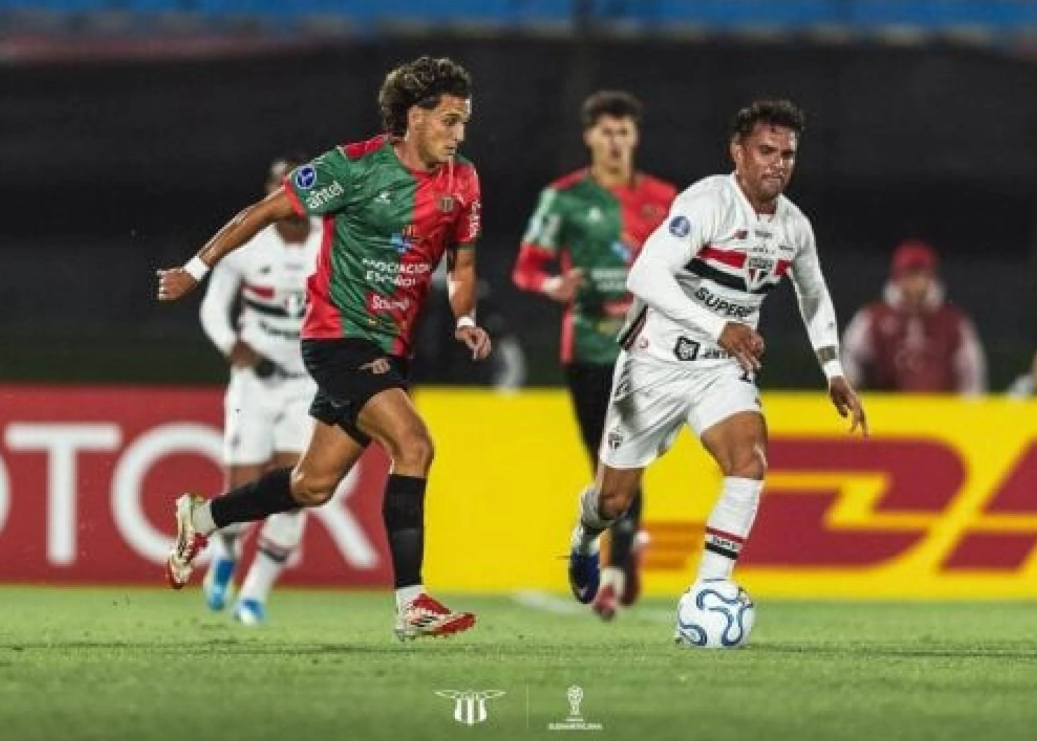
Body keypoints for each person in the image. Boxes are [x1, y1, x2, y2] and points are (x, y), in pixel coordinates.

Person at [156, 56, 492, 640]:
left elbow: (462, 262)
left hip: (391, 347)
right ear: (415, 117)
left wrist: (463, 316)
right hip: (338, 337)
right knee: (414, 445)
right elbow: (263, 212)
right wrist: (195, 269)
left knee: (311, 485)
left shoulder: (463, 181)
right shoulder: (353, 168)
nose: (459, 135)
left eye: (464, 123)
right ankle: (411, 602)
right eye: (450, 121)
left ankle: (200, 517)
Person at [563, 99, 868, 620]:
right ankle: (585, 537)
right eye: (766, 151)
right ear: (738, 153)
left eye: (788, 154)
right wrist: (719, 326)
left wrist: (833, 370)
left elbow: (813, 294)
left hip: (721, 370)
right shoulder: (706, 203)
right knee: (612, 502)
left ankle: (709, 591)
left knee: (748, 462)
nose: (778, 163)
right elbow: (644, 276)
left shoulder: (795, 227)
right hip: (655, 362)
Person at [511, 90, 676, 621]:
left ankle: (614, 574)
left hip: (648, 352)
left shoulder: (665, 200)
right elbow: (526, 267)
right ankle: (623, 556)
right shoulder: (562, 198)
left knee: (630, 462)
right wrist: (553, 284)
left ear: (635, 137)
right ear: (589, 137)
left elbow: (690, 267)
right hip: (584, 349)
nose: (614, 140)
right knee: (604, 468)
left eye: (623, 131)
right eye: (605, 131)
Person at [197, 156, 328, 626]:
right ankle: (226, 554)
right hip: (254, 384)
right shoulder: (246, 244)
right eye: (282, 186)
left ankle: (255, 594)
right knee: (243, 489)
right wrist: (235, 347)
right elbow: (213, 310)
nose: (292, 197)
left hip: (308, 382)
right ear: (270, 192)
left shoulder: (330, 240)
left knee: (298, 486)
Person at [840, 239, 986, 395]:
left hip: (942, 413)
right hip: (888, 411)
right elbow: (850, 355)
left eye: (921, 275)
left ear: (931, 277)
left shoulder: (953, 322)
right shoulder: (873, 318)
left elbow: (971, 371)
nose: (915, 283)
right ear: (897, 277)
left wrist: (969, 411)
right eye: (909, 275)